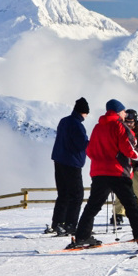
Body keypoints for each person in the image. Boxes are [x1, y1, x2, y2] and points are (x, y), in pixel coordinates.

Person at [67, 99, 138, 251]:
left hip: (99, 173)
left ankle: (81, 237)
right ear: (118, 111)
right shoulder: (121, 126)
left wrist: (101, 160)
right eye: (124, 111)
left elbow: (89, 150)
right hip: (118, 172)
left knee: (92, 206)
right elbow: (130, 150)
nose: (125, 114)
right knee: (131, 207)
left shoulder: (97, 127)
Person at [47, 97, 89, 236]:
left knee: (63, 193)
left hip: (59, 160)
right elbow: (82, 144)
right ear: (83, 112)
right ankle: (71, 225)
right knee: (76, 195)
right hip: (72, 162)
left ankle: (58, 223)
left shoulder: (64, 121)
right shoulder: (77, 125)